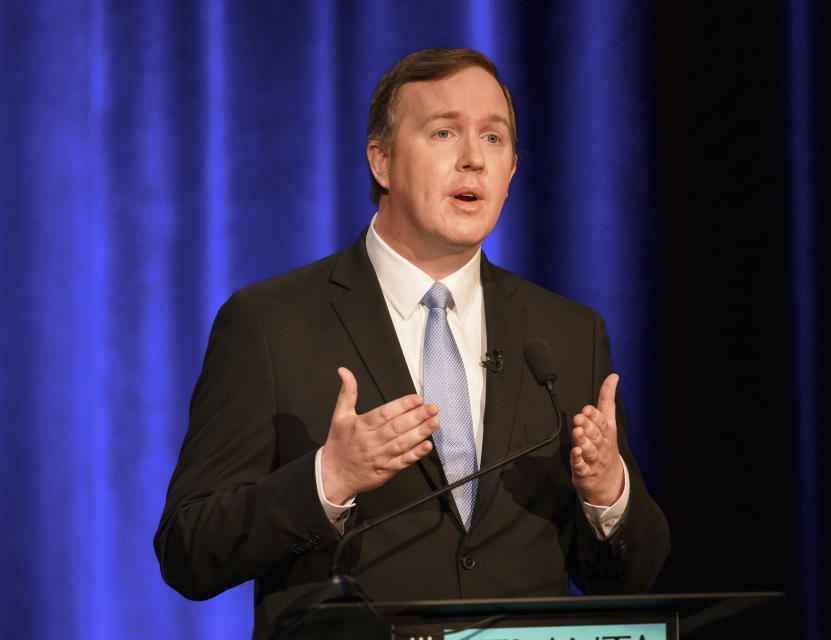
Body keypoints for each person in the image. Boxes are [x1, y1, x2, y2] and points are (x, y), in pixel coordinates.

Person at [155, 48, 669, 639]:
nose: (474, 159)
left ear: (512, 173)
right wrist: (329, 478)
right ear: (382, 162)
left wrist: (607, 497)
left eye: (494, 139)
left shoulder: (568, 334)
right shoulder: (269, 324)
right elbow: (188, 550)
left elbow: (629, 579)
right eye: (444, 132)